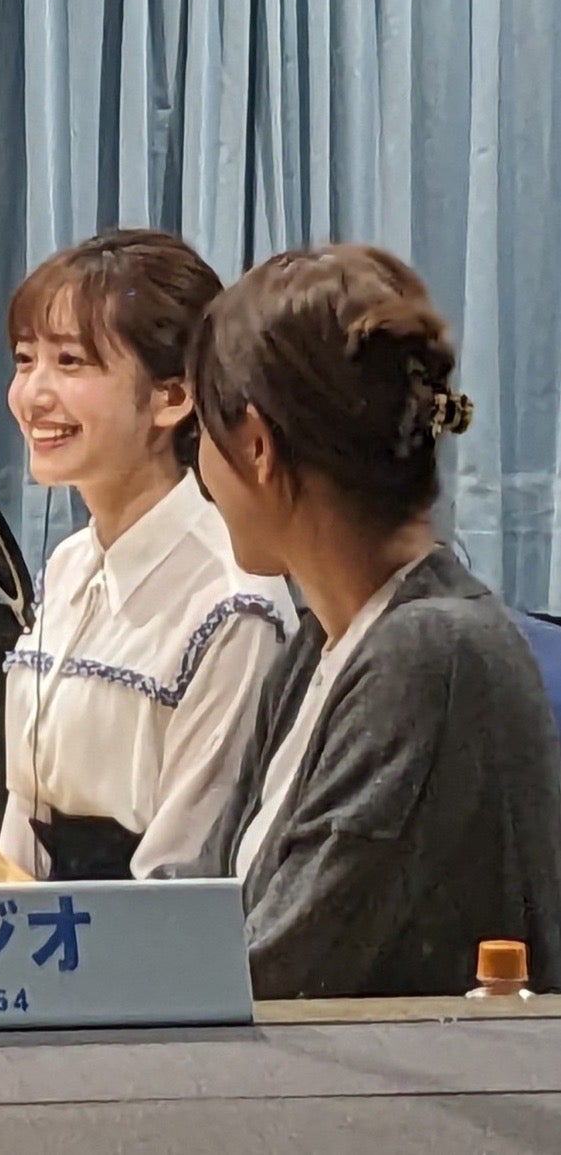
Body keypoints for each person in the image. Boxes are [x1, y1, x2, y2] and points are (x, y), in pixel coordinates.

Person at [176, 243, 561, 998]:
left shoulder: (427, 656)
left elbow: (273, 974)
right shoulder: (320, 643)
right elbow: (207, 901)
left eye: (201, 435)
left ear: (255, 446)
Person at [0, 229, 296, 881]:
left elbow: (188, 869)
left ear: (172, 396)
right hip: (38, 929)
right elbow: (25, 812)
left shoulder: (233, 603)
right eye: (24, 359)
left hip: (146, 933)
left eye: (70, 362)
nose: (33, 395)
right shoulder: (69, 565)